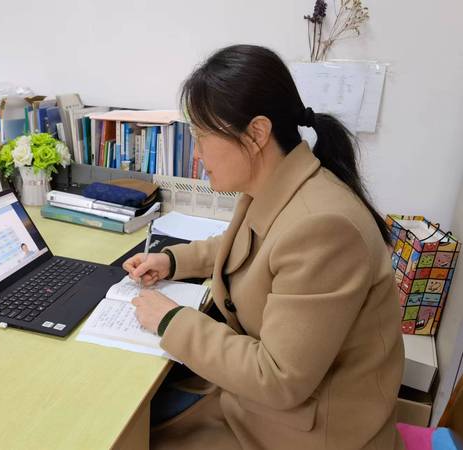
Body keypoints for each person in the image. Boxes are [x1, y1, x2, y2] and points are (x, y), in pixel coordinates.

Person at [122, 45, 404, 450]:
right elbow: (247, 249)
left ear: (256, 133)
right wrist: (171, 261)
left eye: (202, 137)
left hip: (305, 433)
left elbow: (278, 378)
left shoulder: (324, 228)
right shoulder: (278, 186)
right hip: (261, 407)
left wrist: (171, 321)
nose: (197, 154)